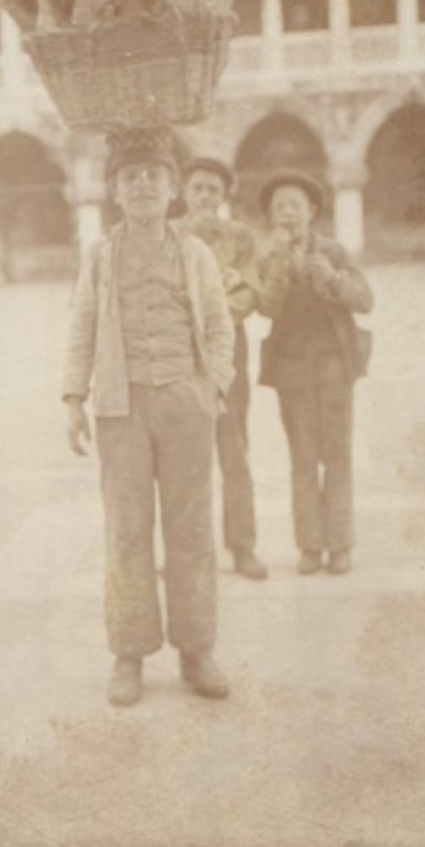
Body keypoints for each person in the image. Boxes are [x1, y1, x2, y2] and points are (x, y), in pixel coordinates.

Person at [62, 128, 234, 707]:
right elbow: (81, 327)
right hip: (121, 404)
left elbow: (218, 323)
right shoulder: (99, 257)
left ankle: (197, 648)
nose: (141, 187)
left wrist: (212, 384)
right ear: (114, 191)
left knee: (191, 529)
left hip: (186, 401)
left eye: (153, 177)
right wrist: (71, 400)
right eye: (130, 178)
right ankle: (128, 653)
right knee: (127, 530)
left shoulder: (194, 253)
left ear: (173, 189)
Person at [256, 169, 373, 576]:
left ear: (312, 211)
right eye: (278, 207)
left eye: (294, 205)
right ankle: (309, 546)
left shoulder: (335, 251)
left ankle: (339, 544)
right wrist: (277, 268)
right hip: (291, 368)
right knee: (302, 457)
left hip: (334, 364)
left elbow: (365, 300)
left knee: (336, 455)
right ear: (271, 217)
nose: (287, 213)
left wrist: (334, 280)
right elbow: (266, 308)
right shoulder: (268, 255)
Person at [177, 155, 267, 580]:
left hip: (229, 355)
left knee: (235, 451)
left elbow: (250, 290)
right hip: (178, 358)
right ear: (184, 192)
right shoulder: (168, 235)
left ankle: (243, 547)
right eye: (198, 188)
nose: (206, 196)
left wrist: (212, 320)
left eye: (214, 189)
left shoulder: (240, 237)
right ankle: (187, 553)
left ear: (225, 195)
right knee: (181, 458)